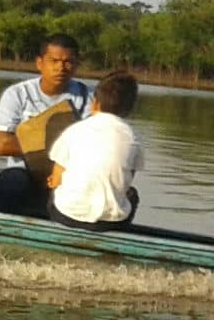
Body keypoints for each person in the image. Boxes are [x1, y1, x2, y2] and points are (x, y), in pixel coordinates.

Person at [0, 34, 90, 215]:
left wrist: (32, 144)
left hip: (67, 177)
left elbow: (94, 145)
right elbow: (2, 144)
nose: (61, 67)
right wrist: (62, 149)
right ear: (39, 63)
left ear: (76, 65)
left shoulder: (88, 97)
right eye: (54, 61)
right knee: (9, 183)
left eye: (68, 62)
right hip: (23, 172)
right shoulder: (17, 94)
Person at [47, 71, 144, 231]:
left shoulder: (75, 130)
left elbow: (57, 179)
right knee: (132, 194)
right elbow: (126, 182)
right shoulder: (134, 138)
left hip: (66, 216)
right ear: (130, 109)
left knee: (55, 190)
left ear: (95, 104)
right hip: (111, 223)